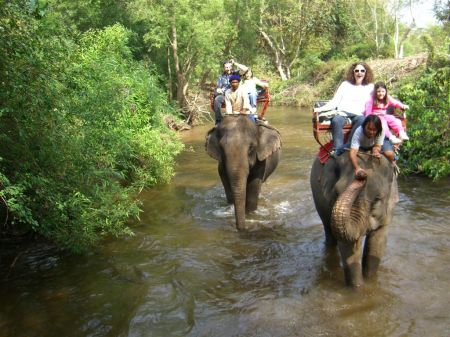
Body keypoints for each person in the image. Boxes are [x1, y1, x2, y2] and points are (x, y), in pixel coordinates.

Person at [314, 62, 374, 155]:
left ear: (366, 73)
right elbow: (334, 101)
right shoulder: (345, 84)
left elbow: (377, 100)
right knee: (336, 121)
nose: (359, 73)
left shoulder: (370, 87)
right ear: (353, 72)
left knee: (362, 120)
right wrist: (319, 109)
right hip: (343, 112)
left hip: (359, 114)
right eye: (357, 70)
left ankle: (348, 146)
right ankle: (337, 148)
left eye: (362, 71)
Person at [213, 60, 239, 125]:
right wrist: (219, 89)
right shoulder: (221, 76)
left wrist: (235, 63)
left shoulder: (235, 73)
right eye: (226, 67)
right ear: (224, 68)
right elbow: (218, 86)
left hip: (235, 93)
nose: (227, 68)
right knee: (217, 100)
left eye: (229, 67)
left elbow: (245, 69)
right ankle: (218, 121)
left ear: (231, 67)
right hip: (224, 94)